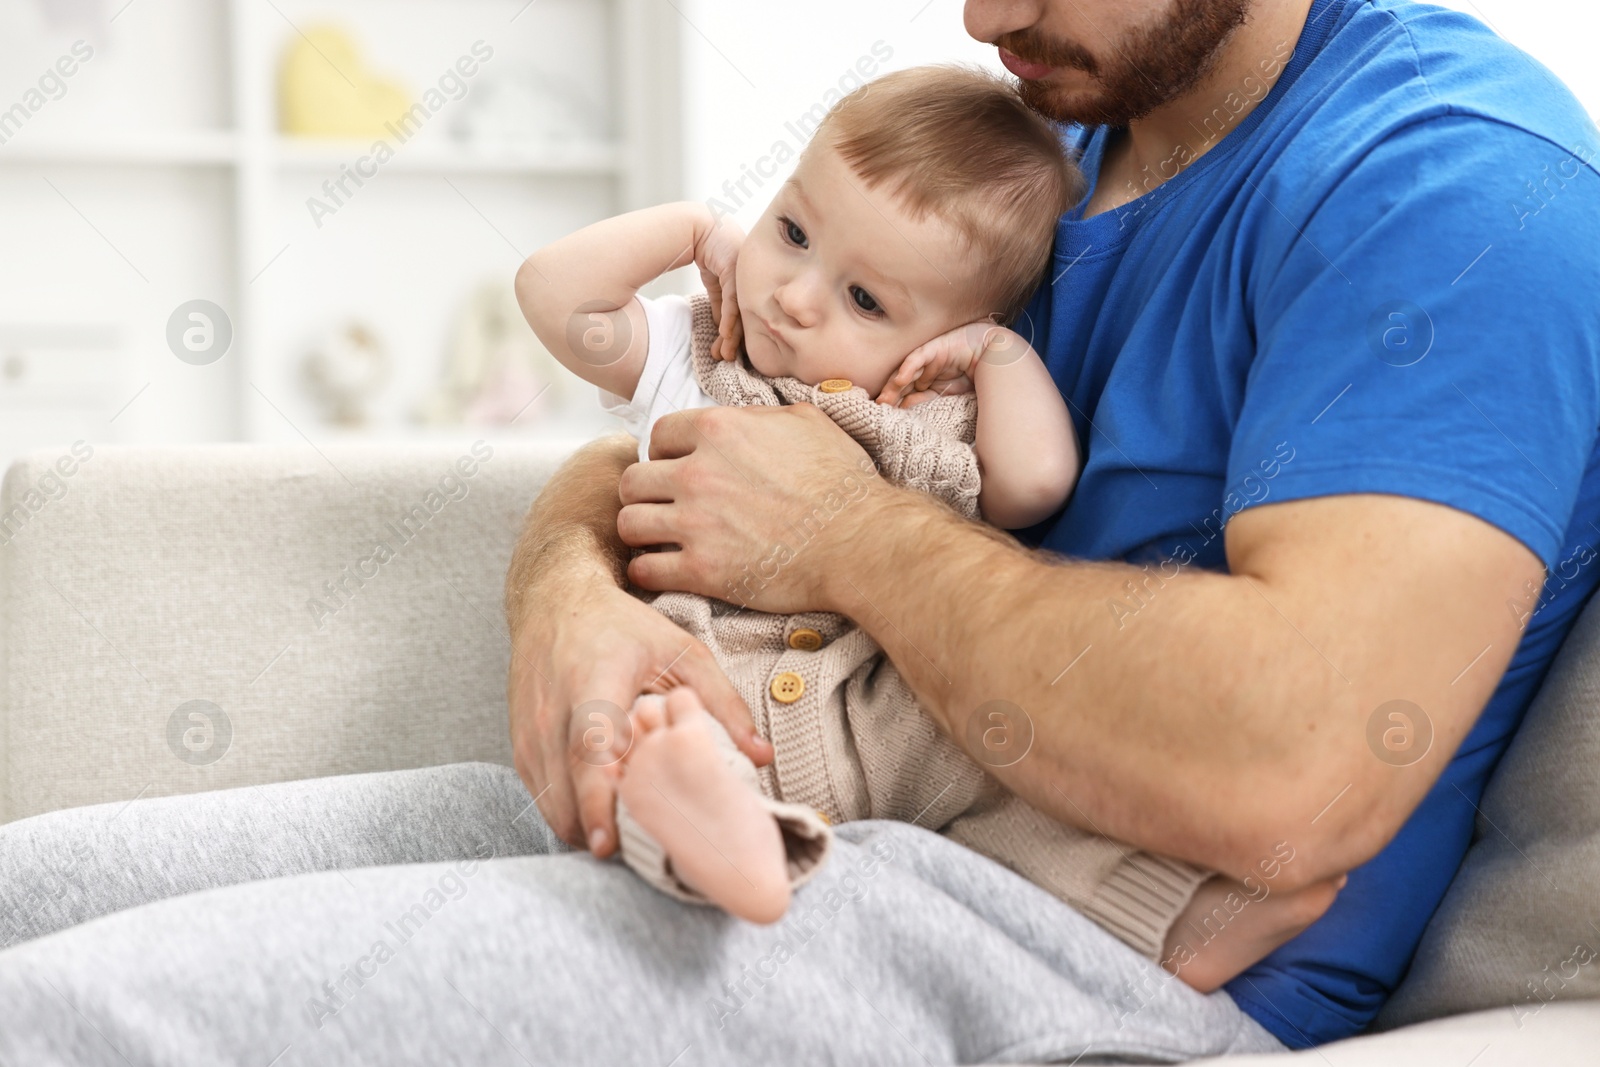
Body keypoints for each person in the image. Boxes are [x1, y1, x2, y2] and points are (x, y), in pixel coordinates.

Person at [1, 1, 1597, 1062]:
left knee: (96, 1016)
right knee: (47, 892)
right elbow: (725, 423)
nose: (978, 15)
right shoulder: (1049, 156)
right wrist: (568, 585)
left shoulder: (1457, 191)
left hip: (1097, 954)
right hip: (809, 797)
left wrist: (838, 533)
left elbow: (1289, 763)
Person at [515, 62, 1345, 987]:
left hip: (888, 724)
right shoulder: (700, 352)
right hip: (725, 685)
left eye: (866, 300)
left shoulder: (935, 413)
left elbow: (1035, 482)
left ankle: (1172, 905)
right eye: (792, 231)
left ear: (943, 332)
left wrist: (995, 354)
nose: (795, 294)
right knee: (652, 728)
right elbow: (554, 294)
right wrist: (694, 229)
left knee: (1019, 779)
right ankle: (717, 833)